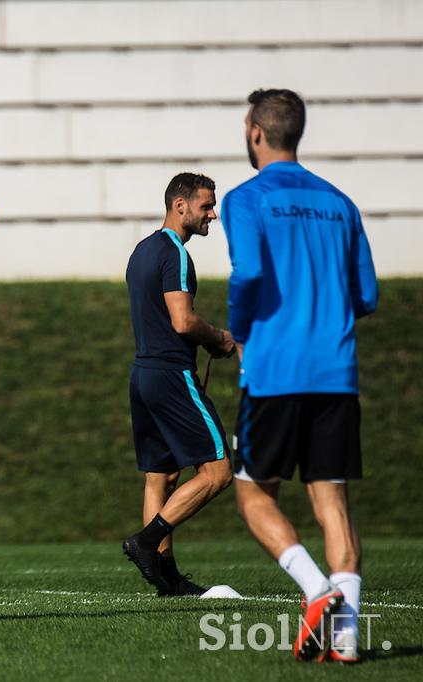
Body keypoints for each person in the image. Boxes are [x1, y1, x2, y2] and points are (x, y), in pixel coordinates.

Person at [222, 89, 378, 663]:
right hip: (336, 372)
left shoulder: (246, 199)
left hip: (274, 371)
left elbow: (251, 273)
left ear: (256, 132)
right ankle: (347, 638)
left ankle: (317, 591)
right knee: (331, 503)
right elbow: (368, 295)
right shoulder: (341, 202)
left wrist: (240, 328)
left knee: (253, 495)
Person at [122, 173, 235, 597]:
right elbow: (183, 321)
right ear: (180, 205)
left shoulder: (142, 250)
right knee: (219, 471)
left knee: (162, 476)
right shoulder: (175, 255)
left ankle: (166, 577)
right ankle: (146, 542)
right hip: (172, 375)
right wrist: (218, 339)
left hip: (143, 374)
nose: (212, 214)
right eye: (206, 206)